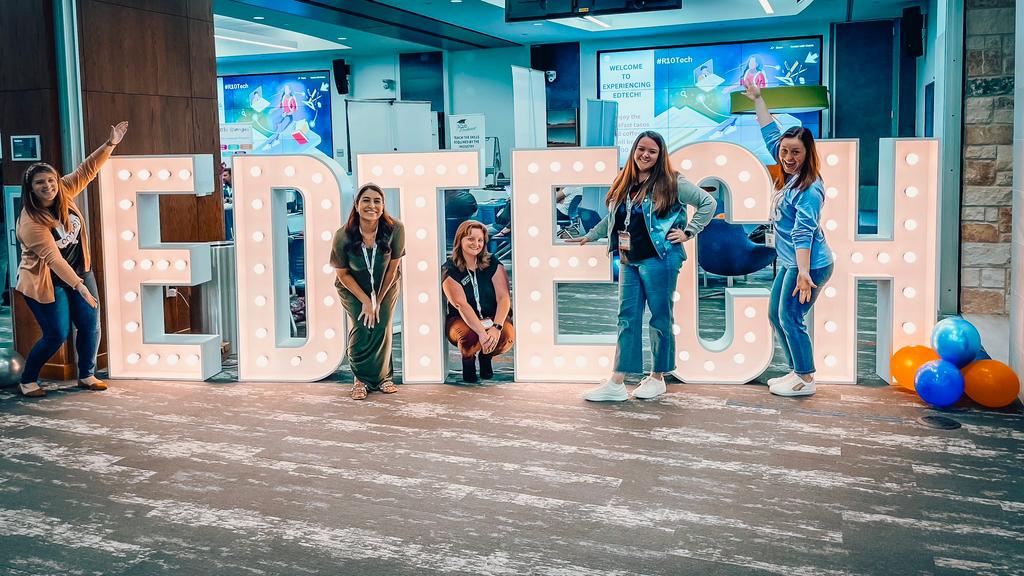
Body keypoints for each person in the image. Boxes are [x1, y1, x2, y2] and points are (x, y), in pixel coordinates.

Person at [569, 131, 716, 401]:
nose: (645, 155)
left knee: (660, 317)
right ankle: (617, 381)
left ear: (660, 155)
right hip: (629, 259)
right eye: (641, 149)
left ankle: (658, 377)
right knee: (626, 318)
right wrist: (591, 235)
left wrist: (689, 231)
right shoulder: (625, 181)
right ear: (634, 150)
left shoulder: (672, 181)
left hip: (661, 258)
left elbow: (708, 202)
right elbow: (614, 218)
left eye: (652, 151)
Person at [15, 121, 129, 397]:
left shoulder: (64, 191)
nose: (48, 186)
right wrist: (80, 287)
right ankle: (28, 379)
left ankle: (86, 375)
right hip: (46, 281)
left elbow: (86, 170)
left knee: (90, 326)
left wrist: (110, 143)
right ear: (30, 188)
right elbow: (54, 260)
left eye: (51, 180)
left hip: (80, 271)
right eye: (40, 183)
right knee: (56, 333)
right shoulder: (30, 222)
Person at [742, 79, 834, 397]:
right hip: (790, 262)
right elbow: (770, 132)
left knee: (790, 316)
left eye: (796, 152)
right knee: (776, 314)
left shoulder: (809, 188)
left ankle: (805, 378)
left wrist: (804, 273)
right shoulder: (789, 171)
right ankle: (796, 370)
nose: (788, 157)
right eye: (784, 151)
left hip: (808, 264)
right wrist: (758, 99)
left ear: (808, 154)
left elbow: (803, 232)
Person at [330, 183, 405, 400]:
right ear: (356, 205)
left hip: (386, 284)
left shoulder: (395, 229)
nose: (372, 205)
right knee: (363, 326)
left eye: (377, 201)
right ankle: (360, 379)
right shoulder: (343, 235)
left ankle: (383, 377)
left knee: (381, 325)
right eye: (366, 200)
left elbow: (393, 268)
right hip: (352, 285)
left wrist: (377, 301)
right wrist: (365, 300)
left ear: (383, 206)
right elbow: (342, 274)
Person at [442, 220, 514, 383]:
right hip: (462, 319)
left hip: (491, 317)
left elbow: (503, 298)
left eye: (480, 240)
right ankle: (468, 360)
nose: (476, 244)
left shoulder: (492, 263)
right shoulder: (449, 269)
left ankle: (485, 357)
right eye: (471, 239)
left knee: (506, 336)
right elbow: (461, 304)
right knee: (469, 337)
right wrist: (482, 333)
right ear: (460, 240)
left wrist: (496, 328)